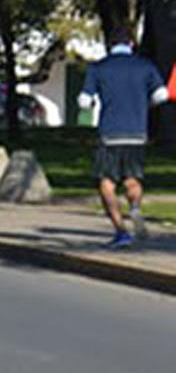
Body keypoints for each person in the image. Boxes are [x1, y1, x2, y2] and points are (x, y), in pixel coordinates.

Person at [79, 33, 168, 247]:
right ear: (131, 44)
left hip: (110, 133)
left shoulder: (98, 68)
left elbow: (84, 101)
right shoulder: (145, 66)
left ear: (109, 44)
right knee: (133, 180)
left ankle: (121, 231)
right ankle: (135, 208)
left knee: (106, 183)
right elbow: (162, 95)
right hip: (137, 132)